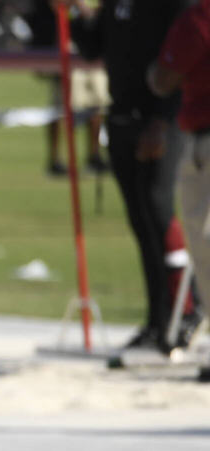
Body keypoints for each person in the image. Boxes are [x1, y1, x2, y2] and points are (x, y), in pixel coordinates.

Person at [63, 0, 205, 357]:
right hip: (122, 113)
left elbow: (179, 61)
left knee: (160, 214)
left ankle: (186, 309)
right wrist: (78, 13)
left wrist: (160, 120)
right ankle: (157, 320)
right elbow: (94, 47)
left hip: (160, 122)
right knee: (141, 220)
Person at [150, 0, 210, 380]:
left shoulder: (200, 14)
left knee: (203, 244)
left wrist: (149, 73)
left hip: (205, 136)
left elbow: (165, 77)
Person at [27, 0, 108, 178]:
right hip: (69, 39)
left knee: (97, 102)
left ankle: (94, 156)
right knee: (63, 105)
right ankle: (56, 159)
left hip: (96, 39)